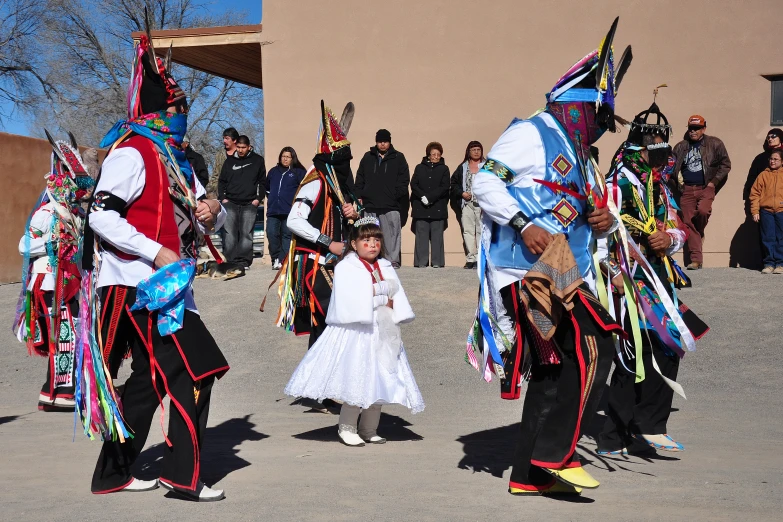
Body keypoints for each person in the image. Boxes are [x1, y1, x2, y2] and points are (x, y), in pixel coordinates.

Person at [464, 18, 631, 496]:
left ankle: (529, 475)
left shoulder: (581, 155)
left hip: (570, 270)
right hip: (529, 271)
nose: (600, 127)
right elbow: (485, 182)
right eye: (597, 116)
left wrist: (606, 221)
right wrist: (523, 223)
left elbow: (594, 212)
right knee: (594, 344)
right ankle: (556, 453)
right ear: (577, 106)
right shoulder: (531, 132)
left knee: (555, 367)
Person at [79, 31, 229, 501]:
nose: (181, 118)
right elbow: (101, 215)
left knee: (149, 379)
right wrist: (154, 250)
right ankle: (183, 476)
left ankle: (113, 472)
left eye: (183, 111)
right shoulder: (132, 152)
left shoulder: (174, 158)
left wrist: (215, 210)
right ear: (157, 113)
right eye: (175, 110)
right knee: (196, 368)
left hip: (171, 285)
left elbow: (204, 206)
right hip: (139, 284)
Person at [596, 100, 709, 456]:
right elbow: (599, 236)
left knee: (670, 345)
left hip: (659, 279)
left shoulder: (660, 186)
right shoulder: (616, 184)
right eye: (655, 150)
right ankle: (614, 435)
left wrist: (669, 239)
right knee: (632, 356)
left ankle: (650, 425)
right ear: (637, 148)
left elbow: (678, 228)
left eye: (663, 150)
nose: (661, 157)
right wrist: (612, 272)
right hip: (626, 280)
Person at [284, 217, 424, 446]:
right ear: (354, 243)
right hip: (356, 332)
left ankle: (369, 428)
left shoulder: (385, 265)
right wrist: (380, 291)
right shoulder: (347, 266)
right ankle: (347, 427)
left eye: (376, 240)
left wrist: (391, 303)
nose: (372, 244)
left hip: (381, 330)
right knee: (357, 378)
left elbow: (395, 293)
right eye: (366, 240)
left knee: (380, 378)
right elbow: (351, 297)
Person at [13, 130, 95, 411]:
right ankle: (59, 393)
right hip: (49, 283)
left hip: (68, 283)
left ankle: (57, 392)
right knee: (64, 334)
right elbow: (24, 245)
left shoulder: (75, 215)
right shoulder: (47, 214)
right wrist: (51, 244)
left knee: (70, 333)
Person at [278, 100, 359, 348]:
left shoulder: (339, 185)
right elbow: (294, 220)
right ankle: (318, 375)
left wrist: (354, 213)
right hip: (316, 262)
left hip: (338, 262)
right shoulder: (315, 181)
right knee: (326, 322)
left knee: (340, 323)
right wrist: (329, 242)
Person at [670, 115, 731, 269]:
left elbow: (726, 165)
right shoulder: (680, 147)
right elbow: (671, 168)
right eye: (691, 128)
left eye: (697, 128)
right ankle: (696, 260)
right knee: (688, 222)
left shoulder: (715, 143)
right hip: (687, 189)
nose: (693, 131)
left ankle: (699, 232)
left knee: (703, 211)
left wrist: (713, 183)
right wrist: (677, 185)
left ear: (704, 129)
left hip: (706, 187)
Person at [355, 128, 410, 268]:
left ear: (390, 142)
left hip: (390, 205)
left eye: (385, 141)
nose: (382, 144)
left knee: (391, 234)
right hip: (370, 204)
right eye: (380, 141)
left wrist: (395, 196)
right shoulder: (368, 157)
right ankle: (370, 259)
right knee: (370, 234)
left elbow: (404, 180)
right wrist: (360, 195)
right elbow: (360, 177)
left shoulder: (398, 157)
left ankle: (392, 261)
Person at [218, 135, 266, 269]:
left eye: (243, 147)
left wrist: (258, 199)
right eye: (238, 147)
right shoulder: (229, 162)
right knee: (229, 233)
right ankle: (230, 261)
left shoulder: (257, 160)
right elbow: (221, 181)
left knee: (246, 233)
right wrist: (223, 198)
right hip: (230, 202)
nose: (240, 150)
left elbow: (262, 182)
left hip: (250, 203)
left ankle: (243, 262)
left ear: (249, 147)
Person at [265, 147, 307, 270]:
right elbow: (267, 188)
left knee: (286, 236)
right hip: (273, 210)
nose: (285, 159)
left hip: (289, 210)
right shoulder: (273, 171)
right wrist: (273, 198)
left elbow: (303, 189)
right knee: (272, 233)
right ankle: (275, 257)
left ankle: (283, 259)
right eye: (283, 156)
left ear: (292, 158)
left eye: (288, 157)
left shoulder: (298, 172)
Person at [410, 142, 450, 268]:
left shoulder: (444, 169)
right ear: (428, 155)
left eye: (438, 154)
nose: (436, 156)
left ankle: (437, 262)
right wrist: (422, 196)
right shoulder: (419, 167)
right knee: (421, 235)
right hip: (421, 207)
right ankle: (421, 262)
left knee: (437, 235)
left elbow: (444, 187)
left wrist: (430, 198)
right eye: (433, 154)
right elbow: (414, 184)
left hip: (437, 207)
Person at [450, 141, 486, 269]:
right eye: (473, 149)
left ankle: (482, 259)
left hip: (483, 205)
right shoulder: (463, 167)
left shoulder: (488, 165)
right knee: (468, 231)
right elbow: (453, 184)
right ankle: (471, 258)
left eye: (478, 149)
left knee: (481, 231)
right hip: (467, 204)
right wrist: (462, 193)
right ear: (468, 152)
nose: (476, 152)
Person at [749, 150, 783, 273]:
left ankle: (780, 264)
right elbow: (755, 194)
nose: (772, 161)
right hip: (766, 211)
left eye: (776, 159)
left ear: (782, 161)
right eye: (771, 159)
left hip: (781, 211)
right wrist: (755, 211)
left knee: (781, 238)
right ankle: (769, 264)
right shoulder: (763, 175)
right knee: (768, 237)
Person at [207, 127, 239, 197]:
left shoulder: (242, 154)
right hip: (223, 195)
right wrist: (214, 188)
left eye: (227, 138)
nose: (224, 141)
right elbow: (215, 175)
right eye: (223, 138)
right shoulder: (220, 154)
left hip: (239, 194)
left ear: (234, 140)